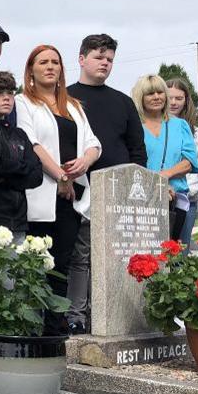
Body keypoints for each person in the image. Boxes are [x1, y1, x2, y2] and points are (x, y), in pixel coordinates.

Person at [15, 45, 101, 333]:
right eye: (43, 62)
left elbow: (93, 144)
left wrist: (83, 164)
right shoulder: (23, 102)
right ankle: (33, 326)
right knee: (38, 263)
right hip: (42, 194)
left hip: (71, 197)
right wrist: (61, 176)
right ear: (31, 70)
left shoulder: (73, 106)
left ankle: (55, 325)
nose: (50, 67)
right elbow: (31, 142)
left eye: (55, 62)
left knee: (61, 264)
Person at [63, 34, 145, 333]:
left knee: (116, 255)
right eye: (99, 57)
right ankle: (76, 314)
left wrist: (134, 188)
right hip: (79, 187)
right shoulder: (66, 98)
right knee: (80, 256)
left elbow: (137, 150)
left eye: (110, 59)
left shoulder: (123, 102)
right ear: (82, 59)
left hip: (119, 192)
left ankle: (113, 312)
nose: (105, 63)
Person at [0, 69, 42, 245]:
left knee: (17, 271)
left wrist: (7, 175)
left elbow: (37, 175)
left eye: (10, 93)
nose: (6, 98)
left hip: (19, 221)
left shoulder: (19, 134)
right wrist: (18, 170)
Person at [132, 75, 198, 241]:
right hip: (141, 200)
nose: (156, 97)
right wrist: (155, 183)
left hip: (175, 200)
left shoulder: (180, 125)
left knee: (172, 256)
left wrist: (165, 175)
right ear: (140, 97)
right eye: (150, 93)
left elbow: (189, 162)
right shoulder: (132, 125)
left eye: (160, 92)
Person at [165, 79, 198, 250]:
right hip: (161, 194)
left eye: (179, 98)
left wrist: (192, 189)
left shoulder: (195, 132)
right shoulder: (154, 127)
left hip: (187, 198)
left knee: (181, 251)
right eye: (169, 97)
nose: (173, 102)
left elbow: (195, 166)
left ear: (186, 100)